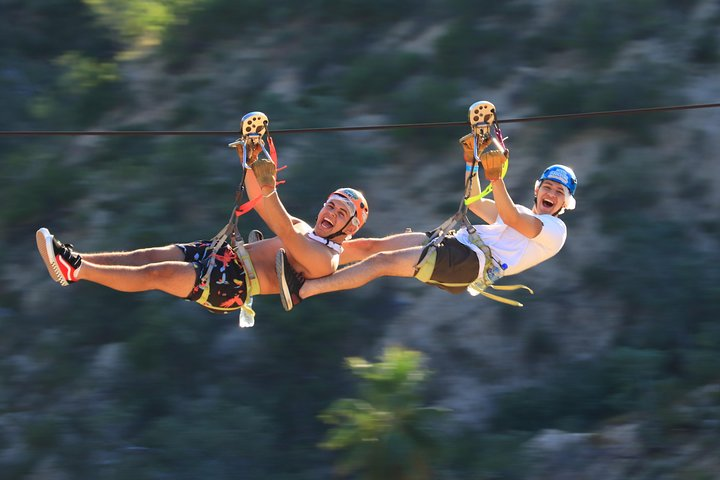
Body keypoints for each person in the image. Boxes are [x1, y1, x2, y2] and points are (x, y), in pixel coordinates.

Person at [36, 141, 370, 322]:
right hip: (222, 253)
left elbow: (278, 221)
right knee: (148, 254)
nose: (330, 213)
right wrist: (249, 158)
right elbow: (259, 198)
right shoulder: (304, 226)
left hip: (232, 285)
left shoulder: (325, 261)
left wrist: (264, 177)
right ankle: (74, 259)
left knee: (159, 272)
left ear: (349, 228)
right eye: (330, 205)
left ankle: (76, 270)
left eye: (340, 213)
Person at [276, 131, 577, 310]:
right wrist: (471, 162)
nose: (551, 194)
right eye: (548, 187)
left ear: (565, 203)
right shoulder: (524, 212)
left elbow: (509, 215)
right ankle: (308, 253)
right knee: (371, 246)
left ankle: (303, 290)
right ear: (537, 190)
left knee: (380, 262)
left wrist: (496, 176)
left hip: (466, 262)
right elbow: (473, 199)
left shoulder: (554, 230)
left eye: (559, 192)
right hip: (458, 245)